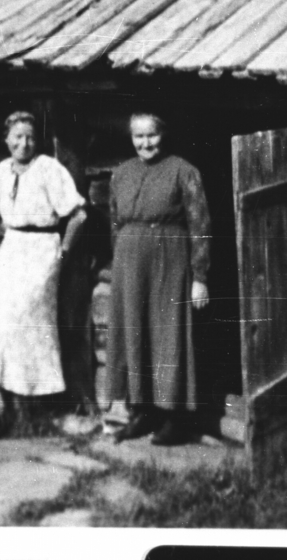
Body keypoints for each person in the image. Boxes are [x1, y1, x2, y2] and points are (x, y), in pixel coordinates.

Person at [0, 111, 87, 447]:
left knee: (26, 323)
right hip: (12, 250)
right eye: (17, 137)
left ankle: (33, 403)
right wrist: (11, 236)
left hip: (42, 251)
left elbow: (78, 215)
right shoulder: (1, 170)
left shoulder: (49, 169)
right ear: (6, 139)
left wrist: (63, 252)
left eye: (29, 137)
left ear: (36, 140)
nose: (23, 143)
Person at [106, 112, 210, 446]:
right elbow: (114, 221)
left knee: (168, 334)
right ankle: (143, 412)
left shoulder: (184, 171)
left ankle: (175, 418)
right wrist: (121, 262)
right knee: (134, 334)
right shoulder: (121, 174)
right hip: (130, 265)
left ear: (162, 135)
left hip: (170, 261)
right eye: (138, 136)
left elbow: (201, 226)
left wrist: (200, 276)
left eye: (151, 135)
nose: (145, 143)